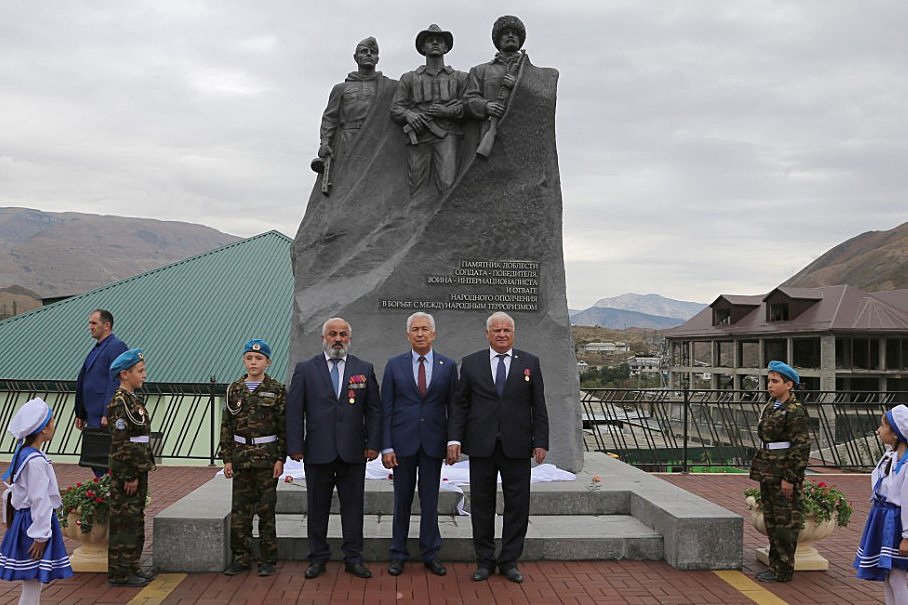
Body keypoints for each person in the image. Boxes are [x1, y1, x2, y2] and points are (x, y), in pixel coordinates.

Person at [447, 311, 549, 583]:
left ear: (513, 334)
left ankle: (509, 561)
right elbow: (460, 405)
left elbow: (538, 405)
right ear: (487, 334)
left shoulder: (530, 363)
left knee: (518, 506)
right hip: (482, 446)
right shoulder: (471, 364)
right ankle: (484, 560)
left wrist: (541, 441)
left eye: (506, 330)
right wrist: (454, 439)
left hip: (517, 447)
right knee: (481, 505)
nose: (502, 334)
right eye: (496, 330)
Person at [286, 318, 381, 579]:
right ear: (323, 339)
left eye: (342, 334)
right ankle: (317, 557)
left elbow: (373, 410)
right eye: (332, 334)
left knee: (353, 508)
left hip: (353, 451)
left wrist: (373, 444)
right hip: (317, 451)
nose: (337, 339)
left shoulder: (364, 368)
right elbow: (294, 411)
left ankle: (354, 557)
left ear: (349, 338)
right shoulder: (305, 369)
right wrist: (295, 445)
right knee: (317, 508)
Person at [381, 312, 457, 577]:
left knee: (430, 500)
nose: (421, 333)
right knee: (401, 500)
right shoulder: (394, 365)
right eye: (415, 329)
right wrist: (386, 446)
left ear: (434, 334)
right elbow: (386, 408)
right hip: (402, 445)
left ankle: (430, 552)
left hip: (433, 443)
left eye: (425, 329)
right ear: (408, 335)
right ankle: (398, 553)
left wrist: (453, 440)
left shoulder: (448, 366)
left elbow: (454, 407)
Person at [220, 339, 286, 577]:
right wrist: (227, 458)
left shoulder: (276, 390)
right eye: (249, 358)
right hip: (241, 458)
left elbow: (283, 428)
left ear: (267, 362)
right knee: (240, 511)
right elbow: (226, 426)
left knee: (266, 510)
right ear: (243, 360)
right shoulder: (234, 390)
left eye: (258, 358)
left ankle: (267, 558)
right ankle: (241, 558)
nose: (253, 362)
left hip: (266, 459)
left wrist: (280, 458)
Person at [0, 398, 73, 604]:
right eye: (52, 422)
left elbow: (14, 494)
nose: (54, 426)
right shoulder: (35, 461)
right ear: (42, 429)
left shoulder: (25, 454)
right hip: (34, 524)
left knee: (32, 583)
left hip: (26, 522)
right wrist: (40, 536)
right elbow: (40, 499)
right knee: (32, 583)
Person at [748, 360, 810, 583]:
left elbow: (800, 447)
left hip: (782, 471)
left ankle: (783, 569)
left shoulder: (794, 411)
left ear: (789, 385)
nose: (770, 385)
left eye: (775, 381)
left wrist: (790, 478)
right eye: (769, 380)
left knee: (785, 522)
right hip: (768, 469)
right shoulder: (772, 406)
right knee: (772, 520)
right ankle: (775, 565)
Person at [390, 24, 468, 195]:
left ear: (446, 47)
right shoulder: (409, 78)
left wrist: (446, 112)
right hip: (419, 136)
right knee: (416, 186)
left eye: (439, 40)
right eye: (429, 40)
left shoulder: (460, 77)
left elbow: (468, 106)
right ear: (422, 47)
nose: (434, 42)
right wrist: (410, 115)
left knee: (447, 184)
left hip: (447, 134)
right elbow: (396, 107)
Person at [107, 348, 156, 587]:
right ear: (124, 374)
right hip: (128, 471)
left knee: (135, 519)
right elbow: (121, 442)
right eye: (140, 371)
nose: (144, 374)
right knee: (124, 522)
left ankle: (133, 565)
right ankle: (120, 573)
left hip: (138, 467)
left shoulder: (133, 400)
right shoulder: (120, 403)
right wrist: (129, 475)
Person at [316, 37, 394, 177]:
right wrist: (325, 142)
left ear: (377, 58)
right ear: (356, 57)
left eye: (373, 52)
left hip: (376, 140)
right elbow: (330, 118)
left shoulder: (390, 87)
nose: (369, 54)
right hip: (348, 140)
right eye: (364, 51)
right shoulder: (341, 88)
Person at [854, 404, 908, 604]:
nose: (878, 430)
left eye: (882, 426)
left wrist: (906, 537)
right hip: (883, 516)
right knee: (887, 576)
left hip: (895, 522)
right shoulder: (892, 456)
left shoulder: (906, 465)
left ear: (895, 434)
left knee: (896, 575)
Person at [75, 309, 128, 477]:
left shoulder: (116, 346)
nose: (90, 327)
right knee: (95, 460)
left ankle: (111, 494)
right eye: (90, 323)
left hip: (103, 416)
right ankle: (105, 492)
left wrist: (108, 411)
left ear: (107, 325)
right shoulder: (97, 348)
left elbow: (115, 381)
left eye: (94, 323)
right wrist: (80, 412)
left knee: (105, 461)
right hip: (92, 414)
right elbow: (87, 380)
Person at [463, 15, 526, 137]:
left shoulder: (531, 72)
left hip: (521, 134)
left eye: (514, 33)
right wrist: (486, 106)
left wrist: (518, 85)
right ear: (498, 39)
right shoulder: (479, 70)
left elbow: (542, 100)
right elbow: (467, 101)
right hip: (490, 133)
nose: (510, 35)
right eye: (505, 33)